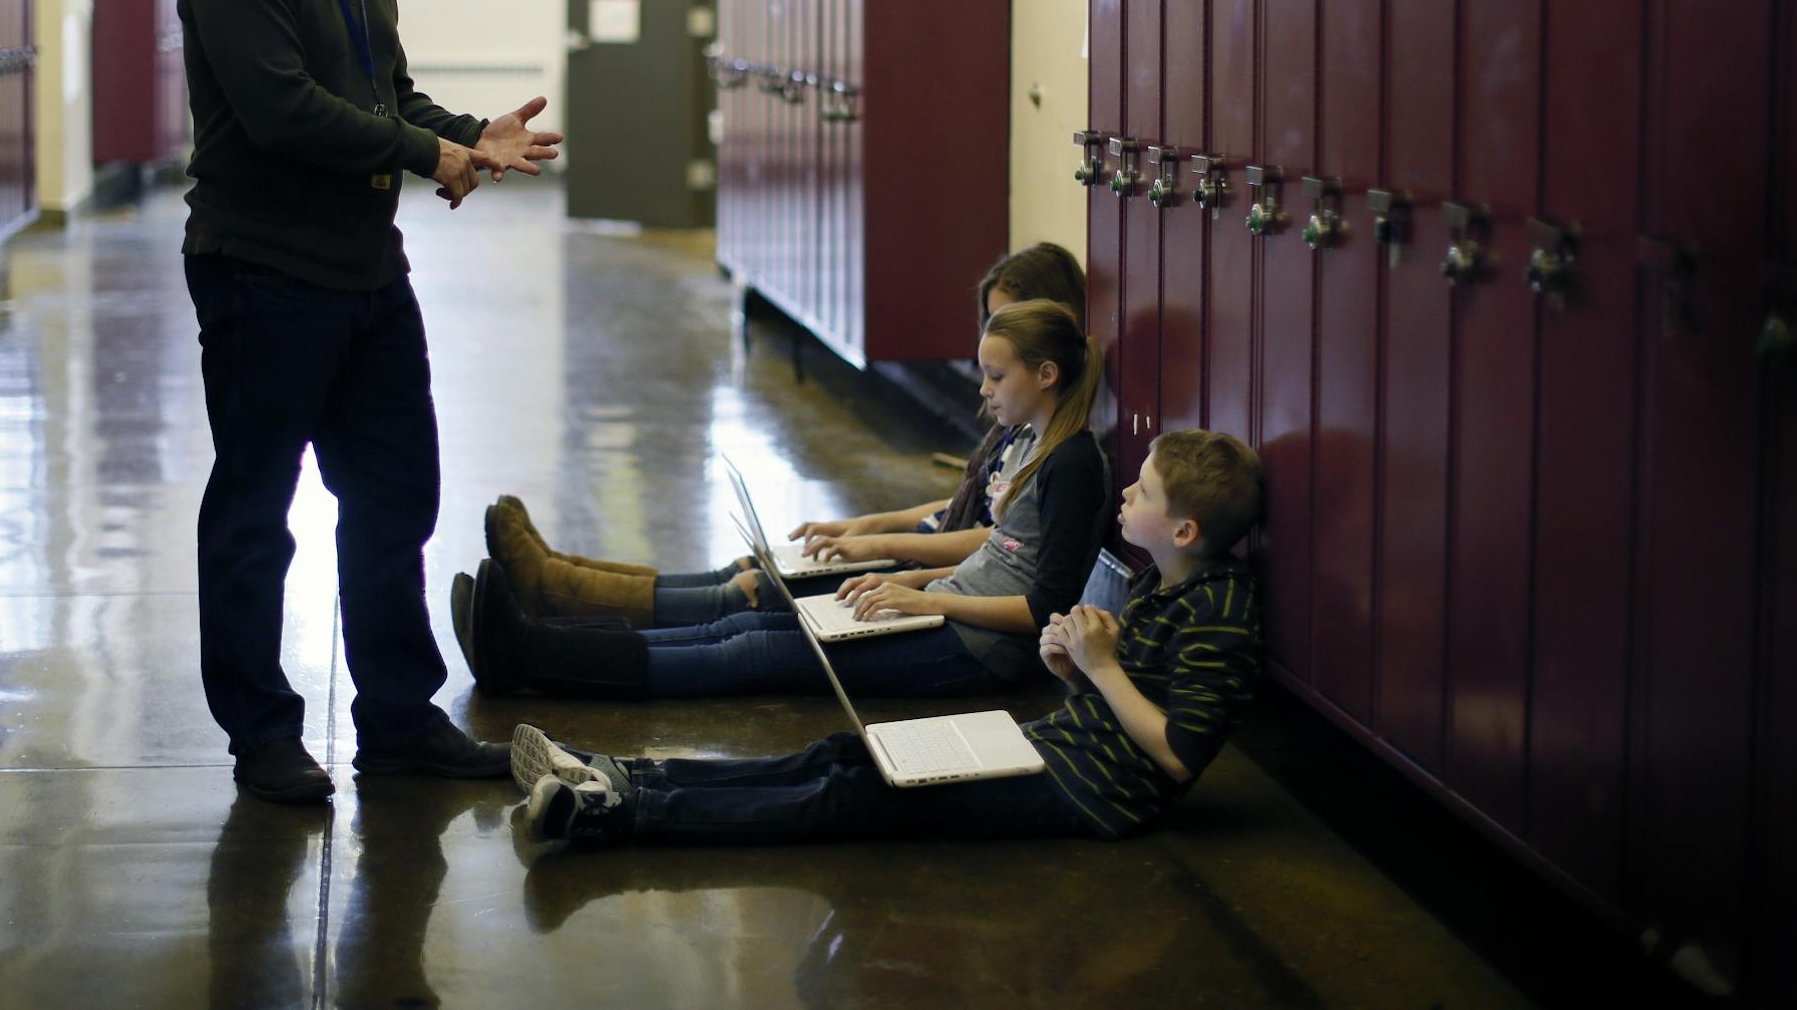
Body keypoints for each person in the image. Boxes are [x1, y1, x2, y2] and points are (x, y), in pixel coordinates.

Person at [178, 0, 563, 804]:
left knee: (395, 496)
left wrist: (468, 136)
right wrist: (424, 154)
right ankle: (261, 735)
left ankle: (397, 721)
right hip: (263, 273)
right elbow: (282, 109)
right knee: (257, 508)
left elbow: (384, 95)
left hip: (364, 275)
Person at [507, 428, 1265, 847]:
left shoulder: (1220, 616)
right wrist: (1072, 668)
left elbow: (1175, 752)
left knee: (849, 794)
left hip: (1089, 791)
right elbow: (1113, 700)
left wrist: (1098, 668)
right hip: (1053, 744)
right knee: (844, 752)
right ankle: (625, 774)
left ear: (1185, 529)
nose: (1126, 494)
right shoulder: (1158, 582)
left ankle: (622, 811)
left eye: (1144, 491)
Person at [455, 299, 1112, 701]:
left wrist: (920, 592)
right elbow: (995, 552)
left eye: (997, 376)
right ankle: (546, 628)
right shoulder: (1033, 439)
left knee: (752, 648)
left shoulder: (1073, 462)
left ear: (1047, 374)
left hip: (975, 651)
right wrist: (912, 577)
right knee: (743, 624)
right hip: (946, 607)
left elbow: (1040, 603)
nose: (985, 390)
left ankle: (533, 655)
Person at [480, 242, 1092, 626]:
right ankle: (563, 576)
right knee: (755, 565)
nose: (990, 334)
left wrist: (881, 549)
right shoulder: (1019, 421)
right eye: (989, 319)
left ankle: (562, 594)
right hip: (928, 559)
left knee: (753, 590)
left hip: (943, 578)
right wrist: (867, 526)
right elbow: (970, 509)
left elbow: (992, 539)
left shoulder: (1059, 445)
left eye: (1005, 322)